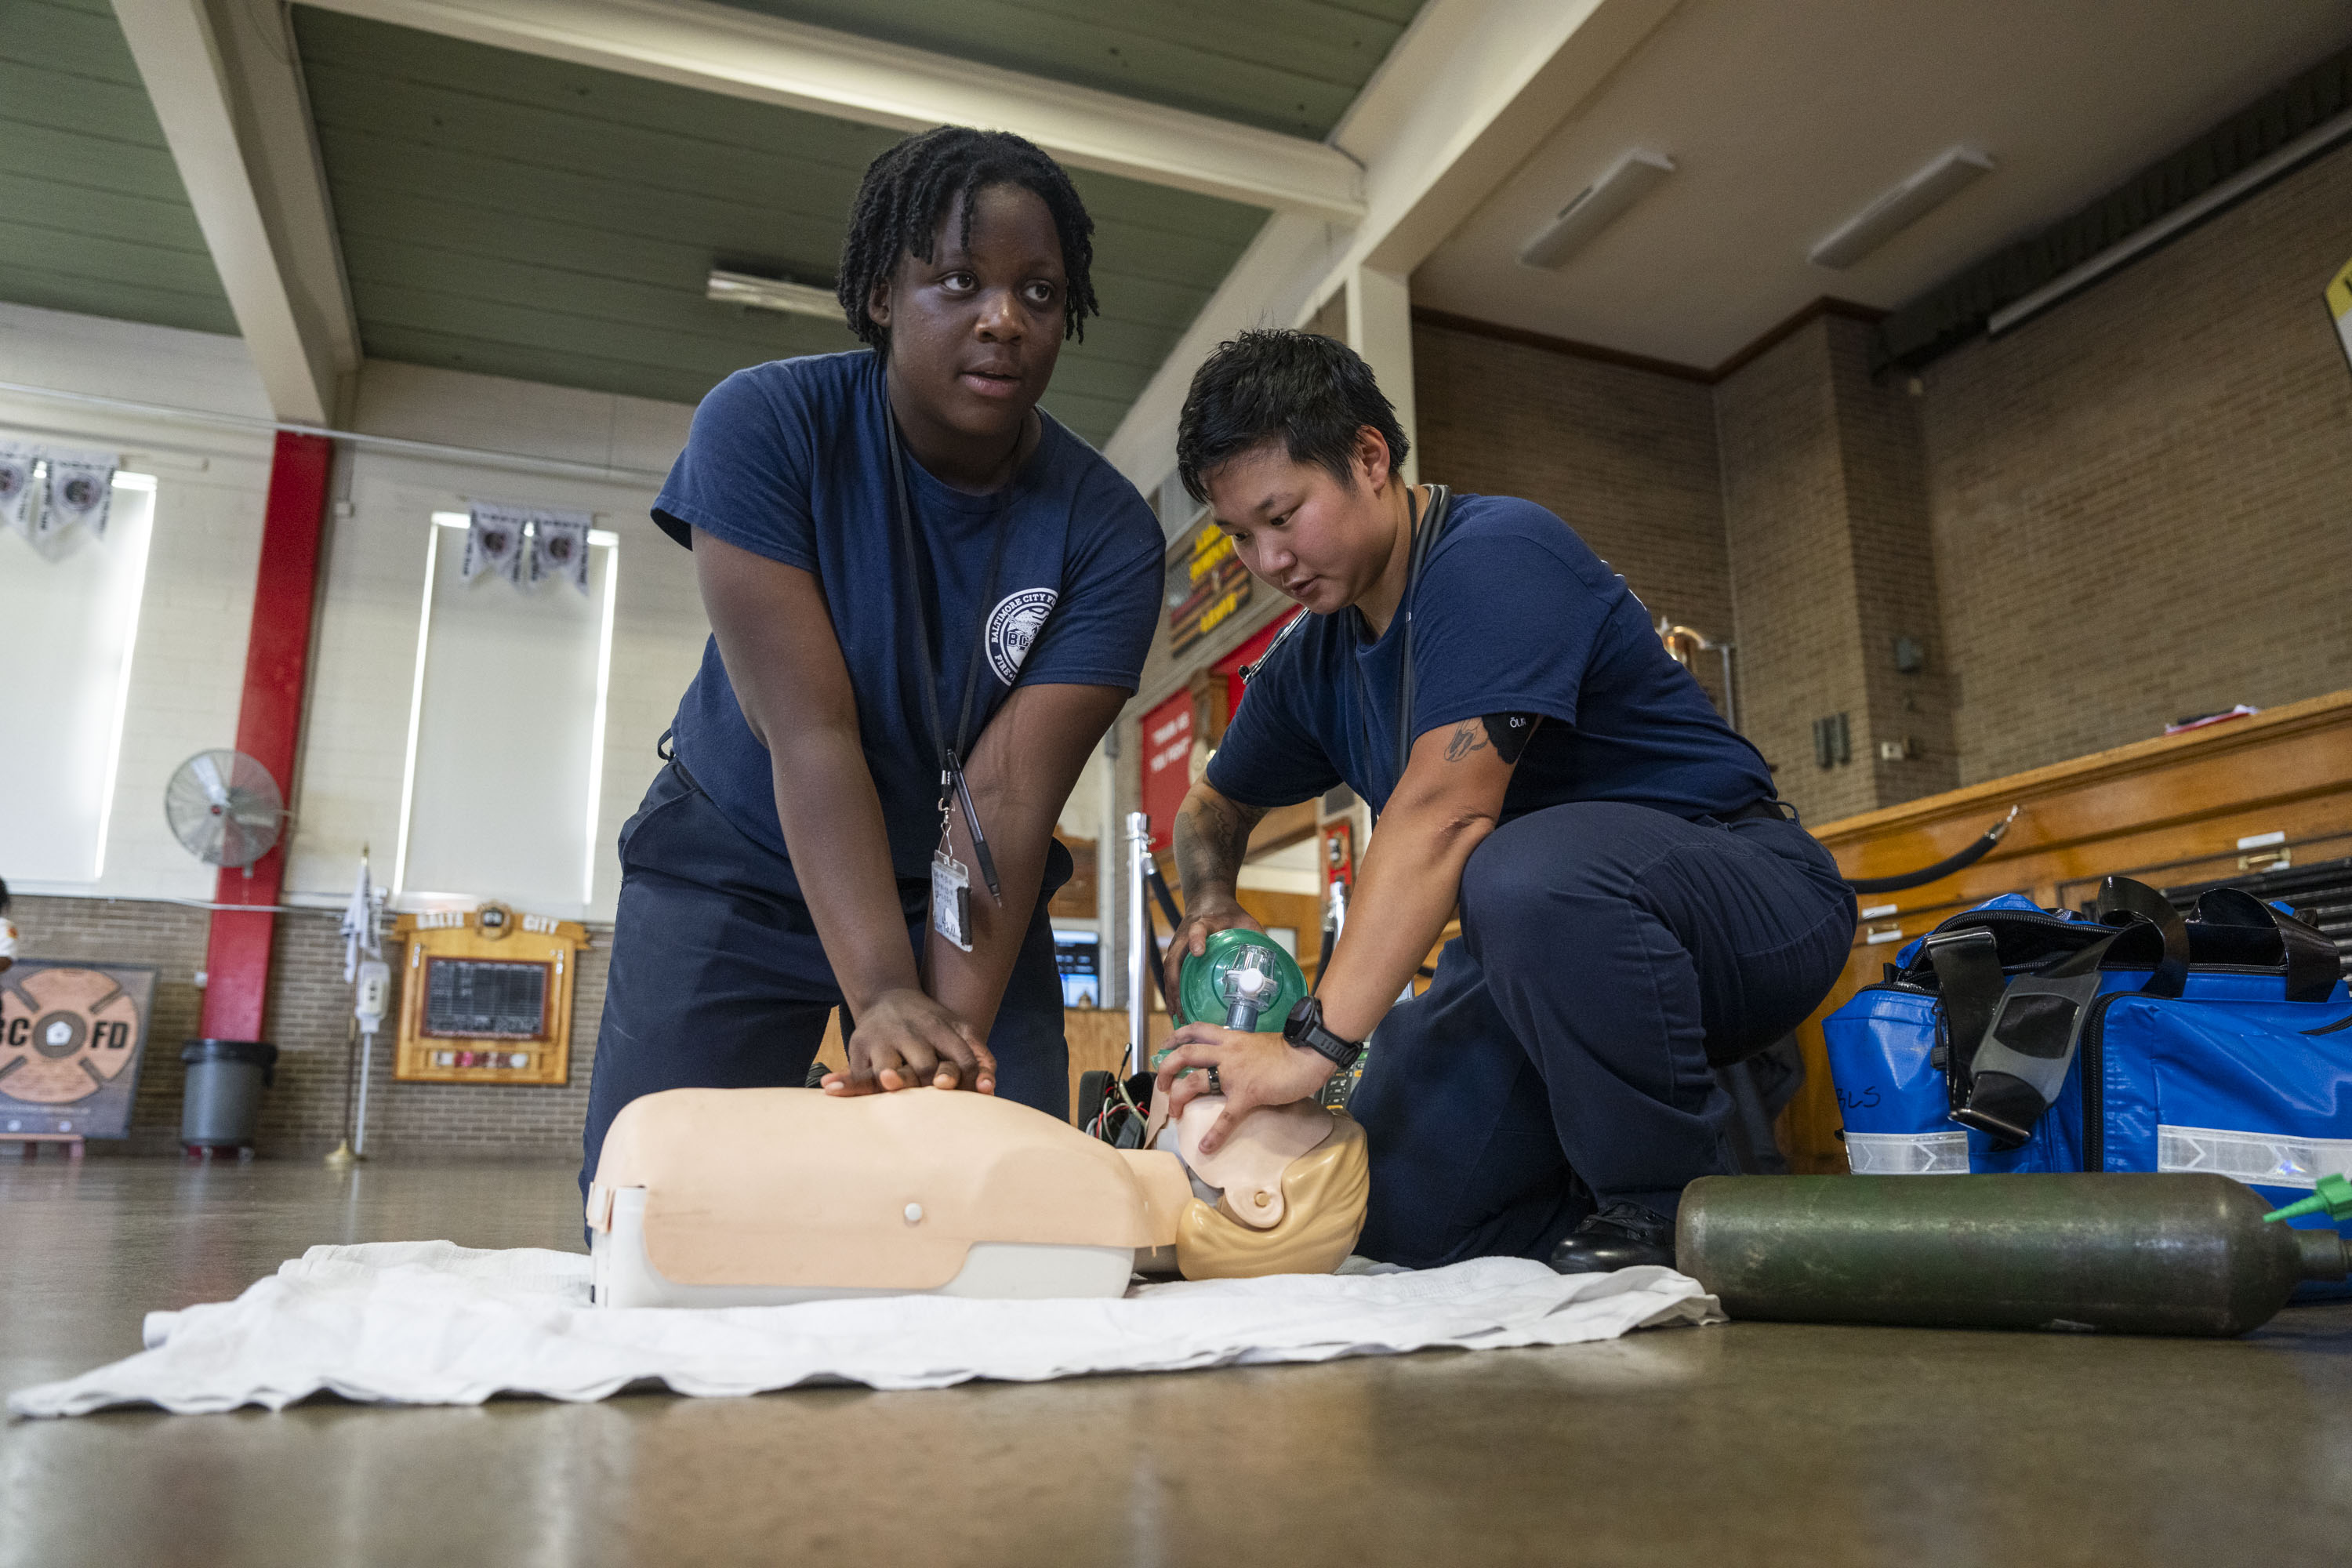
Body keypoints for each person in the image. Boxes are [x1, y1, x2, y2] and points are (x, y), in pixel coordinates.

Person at [1152, 331, 1855, 1273]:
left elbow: (1444, 812)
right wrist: (1209, 904)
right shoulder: (1309, 657)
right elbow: (1208, 809)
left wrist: (1309, 1048)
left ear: (1369, 458)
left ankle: (1673, 1209)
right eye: (1240, 534)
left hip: (1745, 897)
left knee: (1518, 873)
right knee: (1394, 1211)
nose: (1267, 558)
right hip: (1539, 950)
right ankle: (1579, 1210)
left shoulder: (1496, 555)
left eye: (1283, 514)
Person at [581, 127, 1164, 1201]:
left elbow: (1007, 798)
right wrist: (884, 991)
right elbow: (811, 732)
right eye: (959, 280)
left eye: (1039, 292)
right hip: (739, 859)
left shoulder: (1108, 532)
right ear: (884, 295)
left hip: (959, 893)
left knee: (1001, 1215)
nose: (1004, 318)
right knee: (649, 1213)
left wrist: (940, 1041)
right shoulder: (764, 428)